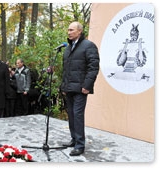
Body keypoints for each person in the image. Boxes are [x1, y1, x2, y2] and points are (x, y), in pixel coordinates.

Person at [60, 21, 100, 156]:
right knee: (71, 114)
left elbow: (93, 67)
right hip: (70, 88)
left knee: (77, 115)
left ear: (79, 31)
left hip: (81, 89)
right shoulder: (68, 48)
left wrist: (87, 86)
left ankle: (80, 145)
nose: (69, 32)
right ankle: (74, 139)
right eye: (68, 30)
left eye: (71, 30)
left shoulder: (88, 46)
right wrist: (64, 86)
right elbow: (66, 70)